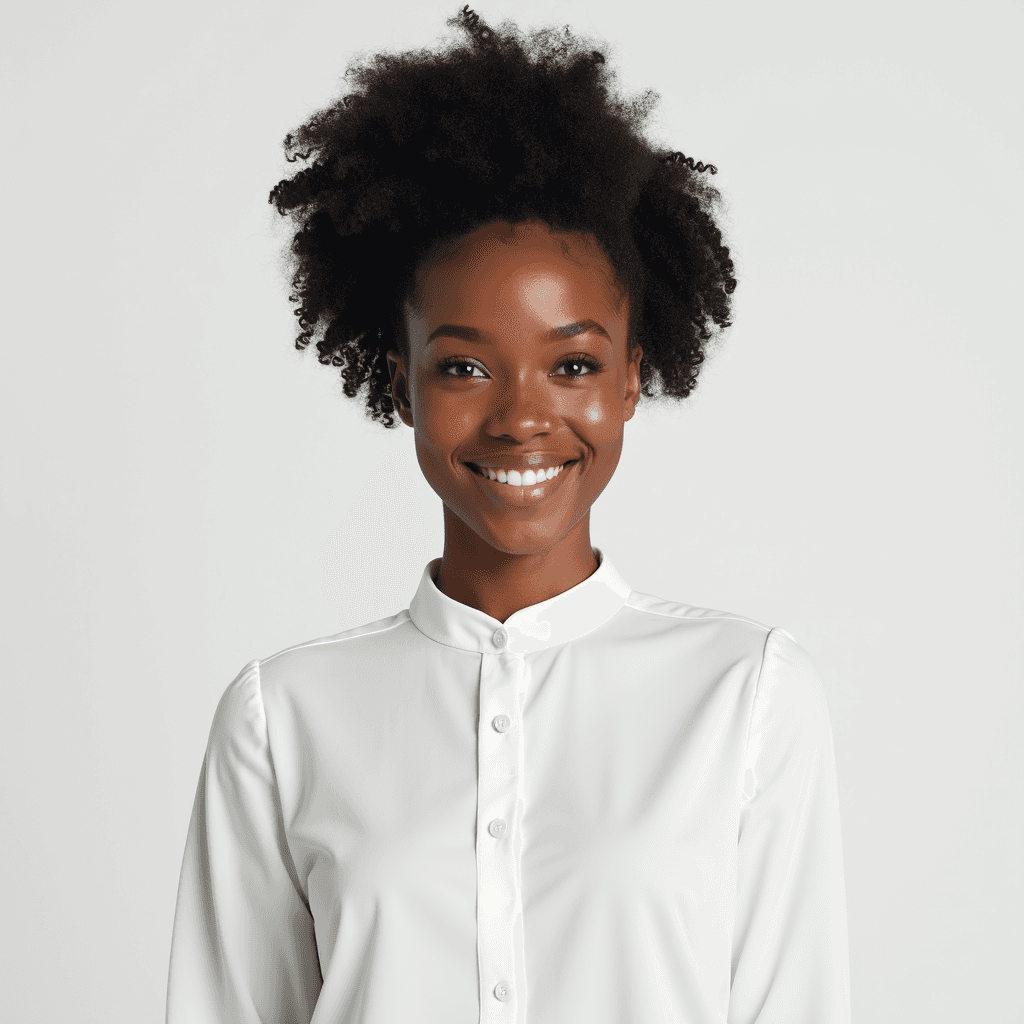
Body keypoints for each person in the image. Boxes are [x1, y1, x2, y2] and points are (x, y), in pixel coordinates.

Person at [166, 8, 850, 1023]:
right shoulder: (281, 719)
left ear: (631, 378)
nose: (523, 414)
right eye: (464, 366)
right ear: (399, 382)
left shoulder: (748, 695)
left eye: (572, 364)